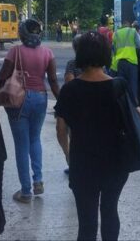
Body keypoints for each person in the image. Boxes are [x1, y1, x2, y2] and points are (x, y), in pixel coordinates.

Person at [54, 32, 135, 240]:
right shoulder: (119, 86)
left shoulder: (70, 90)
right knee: (110, 211)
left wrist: (68, 154)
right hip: (115, 163)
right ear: (107, 54)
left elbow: (61, 130)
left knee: (87, 222)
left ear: (80, 55)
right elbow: (133, 120)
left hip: (83, 163)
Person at [0, 19, 60, 203]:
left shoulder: (15, 52)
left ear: (22, 34)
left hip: (19, 99)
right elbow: (53, 81)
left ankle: (25, 192)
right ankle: (38, 180)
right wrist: (61, 101)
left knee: (21, 145)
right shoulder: (48, 52)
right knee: (34, 139)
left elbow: (3, 76)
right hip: (41, 98)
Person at [57, 34, 82, 175]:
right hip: (91, 106)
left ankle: (72, 162)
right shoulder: (96, 64)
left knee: (73, 136)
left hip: (76, 106)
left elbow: (69, 82)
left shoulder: (72, 63)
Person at [110, 18, 140, 104]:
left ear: (122, 25)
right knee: (133, 86)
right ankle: (135, 107)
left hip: (120, 63)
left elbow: (114, 50)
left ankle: (123, 105)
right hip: (132, 62)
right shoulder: (133, 31)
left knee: (122, 87)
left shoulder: (115, 34)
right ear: (128, 24)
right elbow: (139, 46)